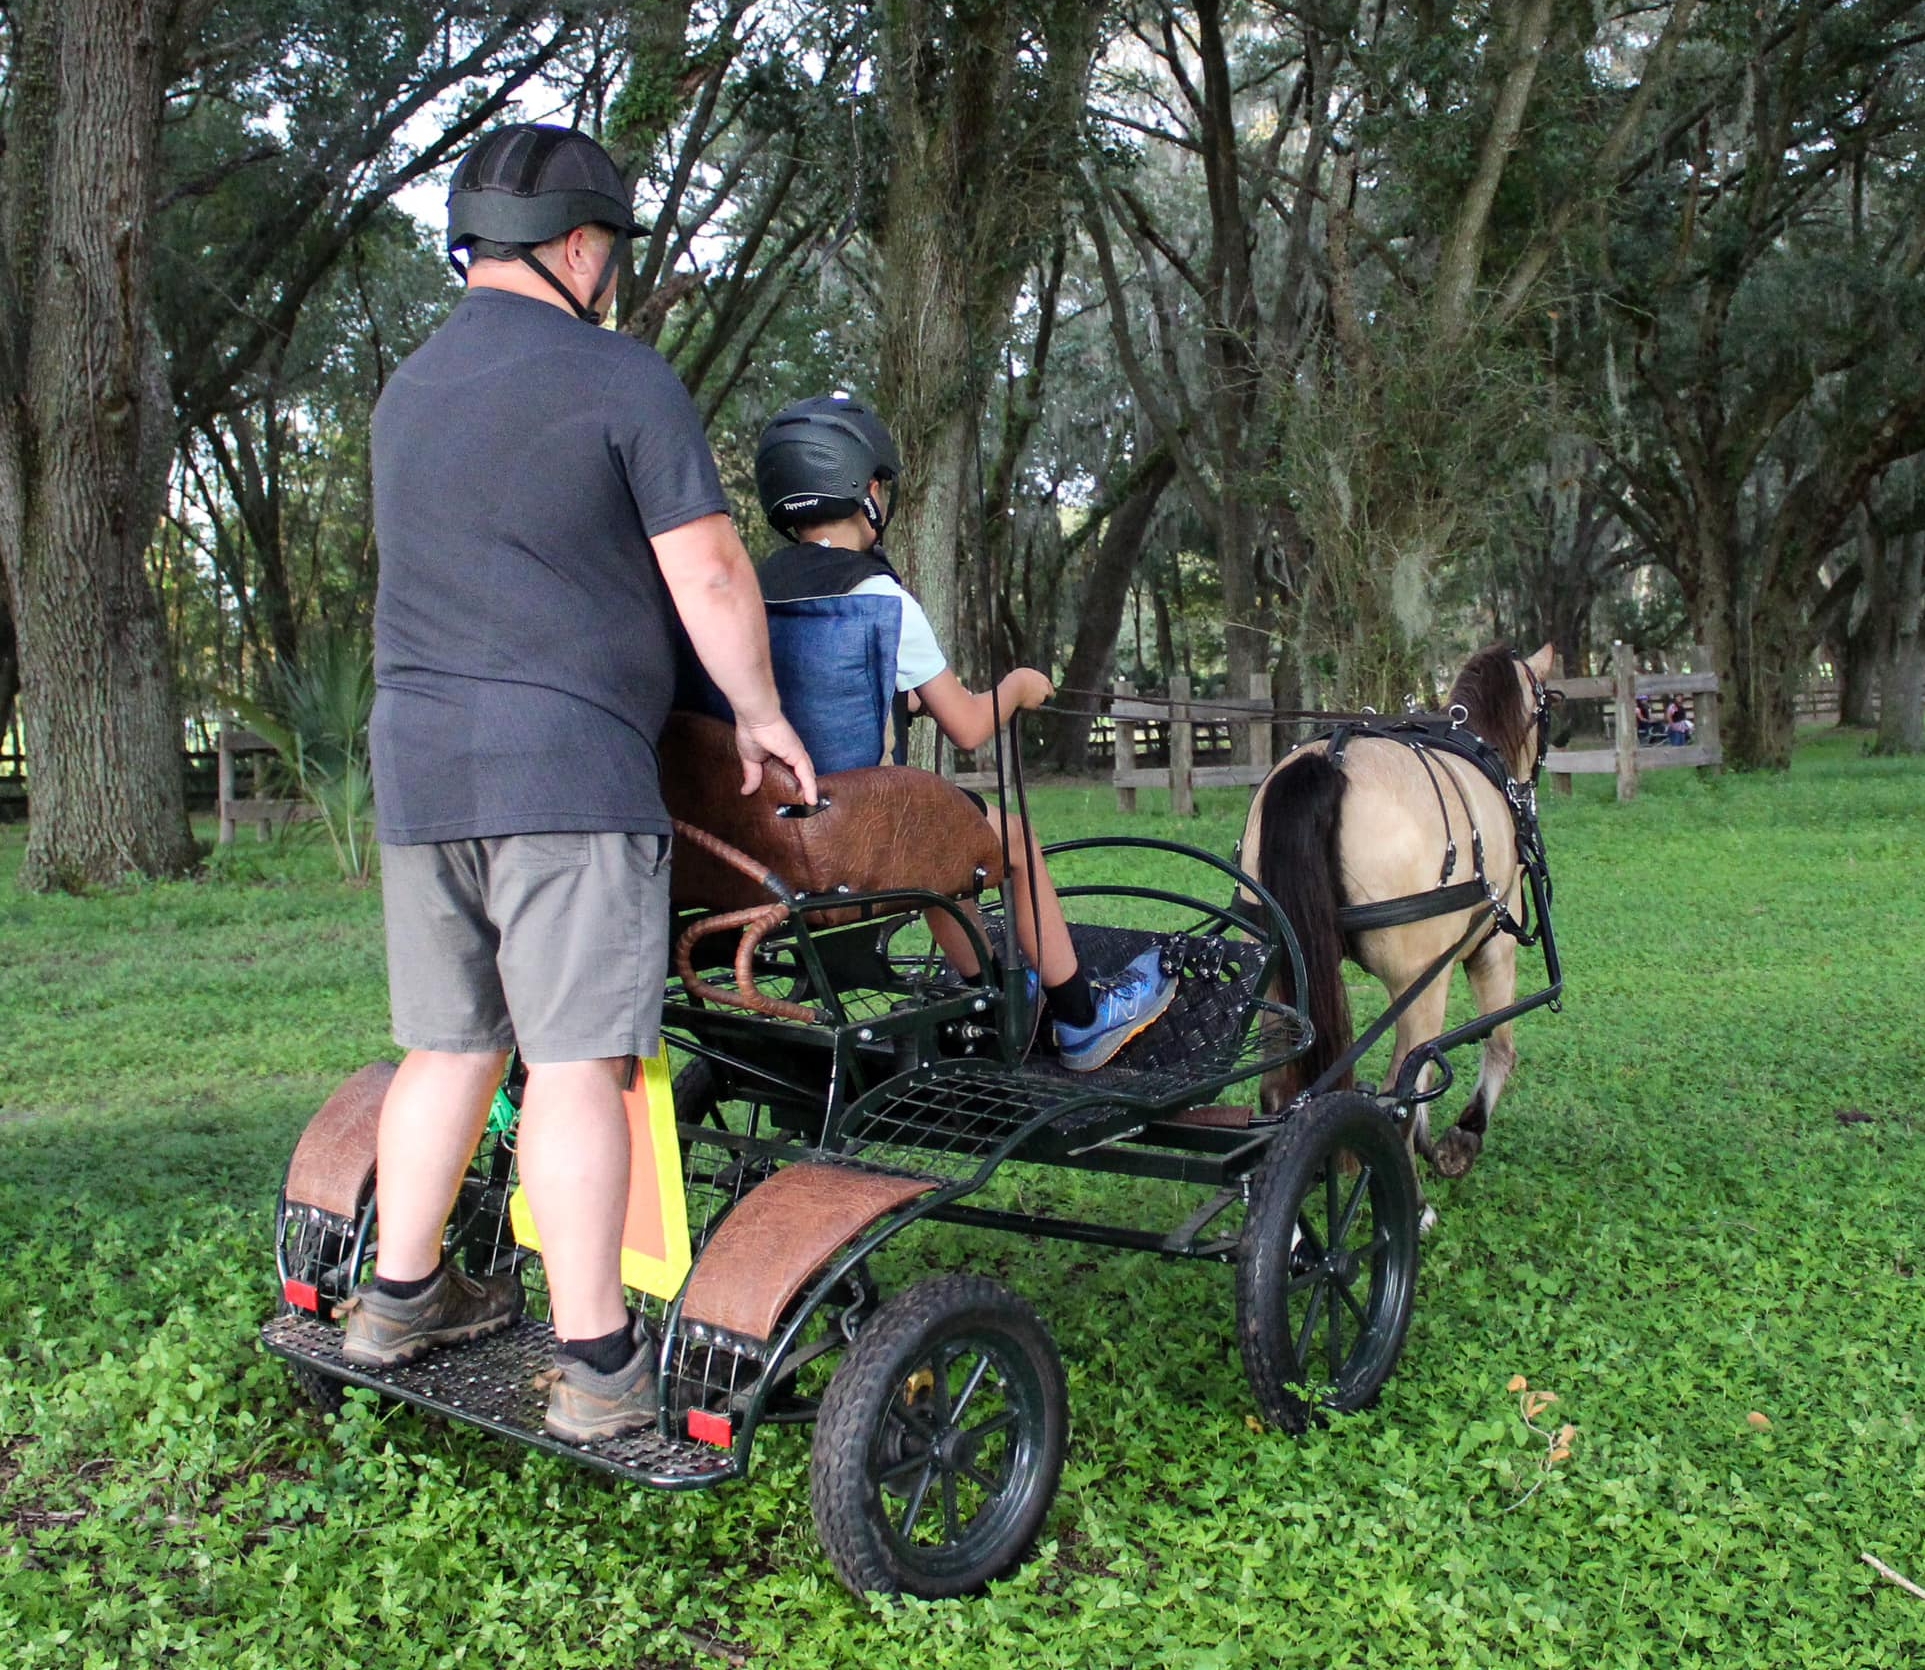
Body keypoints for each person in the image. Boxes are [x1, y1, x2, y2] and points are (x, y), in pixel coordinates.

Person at [338, 123, 816, 1444]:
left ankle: (398, 1297)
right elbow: (712, 573)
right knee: (575, 1063)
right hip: (563, 769)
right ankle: (601, 1365)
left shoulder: (405, 393)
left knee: (448, 1042)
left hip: (422, 766)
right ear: (581, 245)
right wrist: (762, 715)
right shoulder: (622, 379)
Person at [748, 393, 1178, 1072]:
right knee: (1006, 838)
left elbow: (800, 691)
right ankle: (1080, 1020)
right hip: (850, 847)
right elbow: (971, 727)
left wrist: (896, 705)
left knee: (946, 833)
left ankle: (988, 995)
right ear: (865, 491)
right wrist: (1016, 687)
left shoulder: (745, 588)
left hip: (763, 844)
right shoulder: (879, 598)